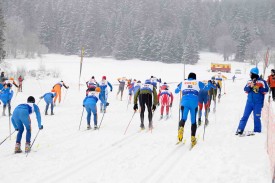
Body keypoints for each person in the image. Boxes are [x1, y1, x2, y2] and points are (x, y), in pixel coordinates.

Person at [235, 67, 269, 135]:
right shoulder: (249, 81)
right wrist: (250, 86)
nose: (249, 75)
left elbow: (266, 90)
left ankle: (257, 130)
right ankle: (240, 129)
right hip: (249, 103)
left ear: (253, 74)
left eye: (250, 73)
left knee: (257, 117)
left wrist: (259, 88)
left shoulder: (262, 81)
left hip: (258, 103)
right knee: (245, 116)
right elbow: (245, 89)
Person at [175, 72, 205, 147]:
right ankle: (193, 138)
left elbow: (176, 91)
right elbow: (205, 87)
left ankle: (181, 129)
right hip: (194, 102)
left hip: (184, 101)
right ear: (195, 78)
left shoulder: (183, 82)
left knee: (183, 118)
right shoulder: (197, 82)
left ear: (188, 77)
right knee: (193, 121)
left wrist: (179, 86)